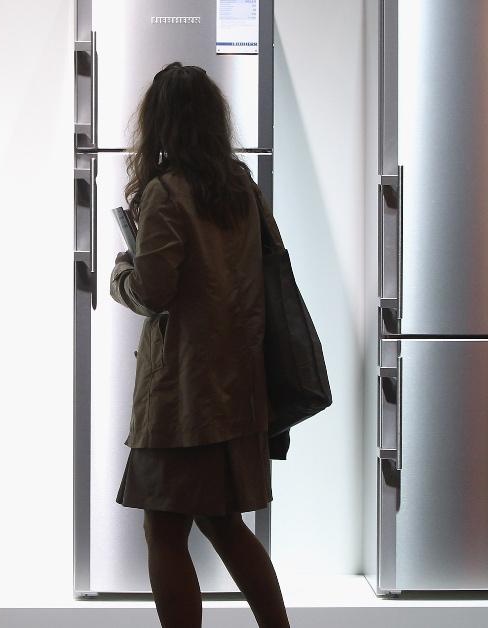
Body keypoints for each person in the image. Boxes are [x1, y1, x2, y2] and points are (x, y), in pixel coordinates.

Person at [109, 62, 291, 628]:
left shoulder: (167, 193)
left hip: (182, 397)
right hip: (238, 392)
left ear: (160, 125)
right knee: (222, 523)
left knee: (163, 530)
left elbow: (154, 291)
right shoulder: (241, 187)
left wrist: (121, 271)